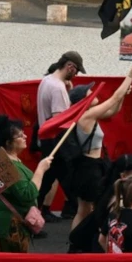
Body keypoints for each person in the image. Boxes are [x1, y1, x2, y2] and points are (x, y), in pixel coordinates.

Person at [69, 64, 132, 231]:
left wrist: (123, 95)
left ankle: (78, 242)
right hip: (88, 168)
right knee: (85, 210)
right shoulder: (86, 115)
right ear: (83, 100)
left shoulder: (91, 114)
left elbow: (112, 111)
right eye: (89, 92)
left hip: (92, 165)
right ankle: (77, 242)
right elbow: (113, 98)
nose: (93, 93)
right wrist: (129, 76)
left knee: (86, 208)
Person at [0, 115, 51, 253]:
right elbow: (27, 194)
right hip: (8, 227)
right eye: (20, 135)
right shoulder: (8, 165)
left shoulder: (1, 160)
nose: (25, 136)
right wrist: (40, 170)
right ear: (8, 142)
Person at [37, 51, 85, 216]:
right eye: (76, 70)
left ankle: (32, 216)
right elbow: (60, 120)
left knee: (45, 182)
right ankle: (82, 213)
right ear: (70, 67)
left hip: (46, 138)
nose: (76, 74)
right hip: (57, 141)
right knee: (71, 181)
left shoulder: (47, 81)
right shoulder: (58, 88)